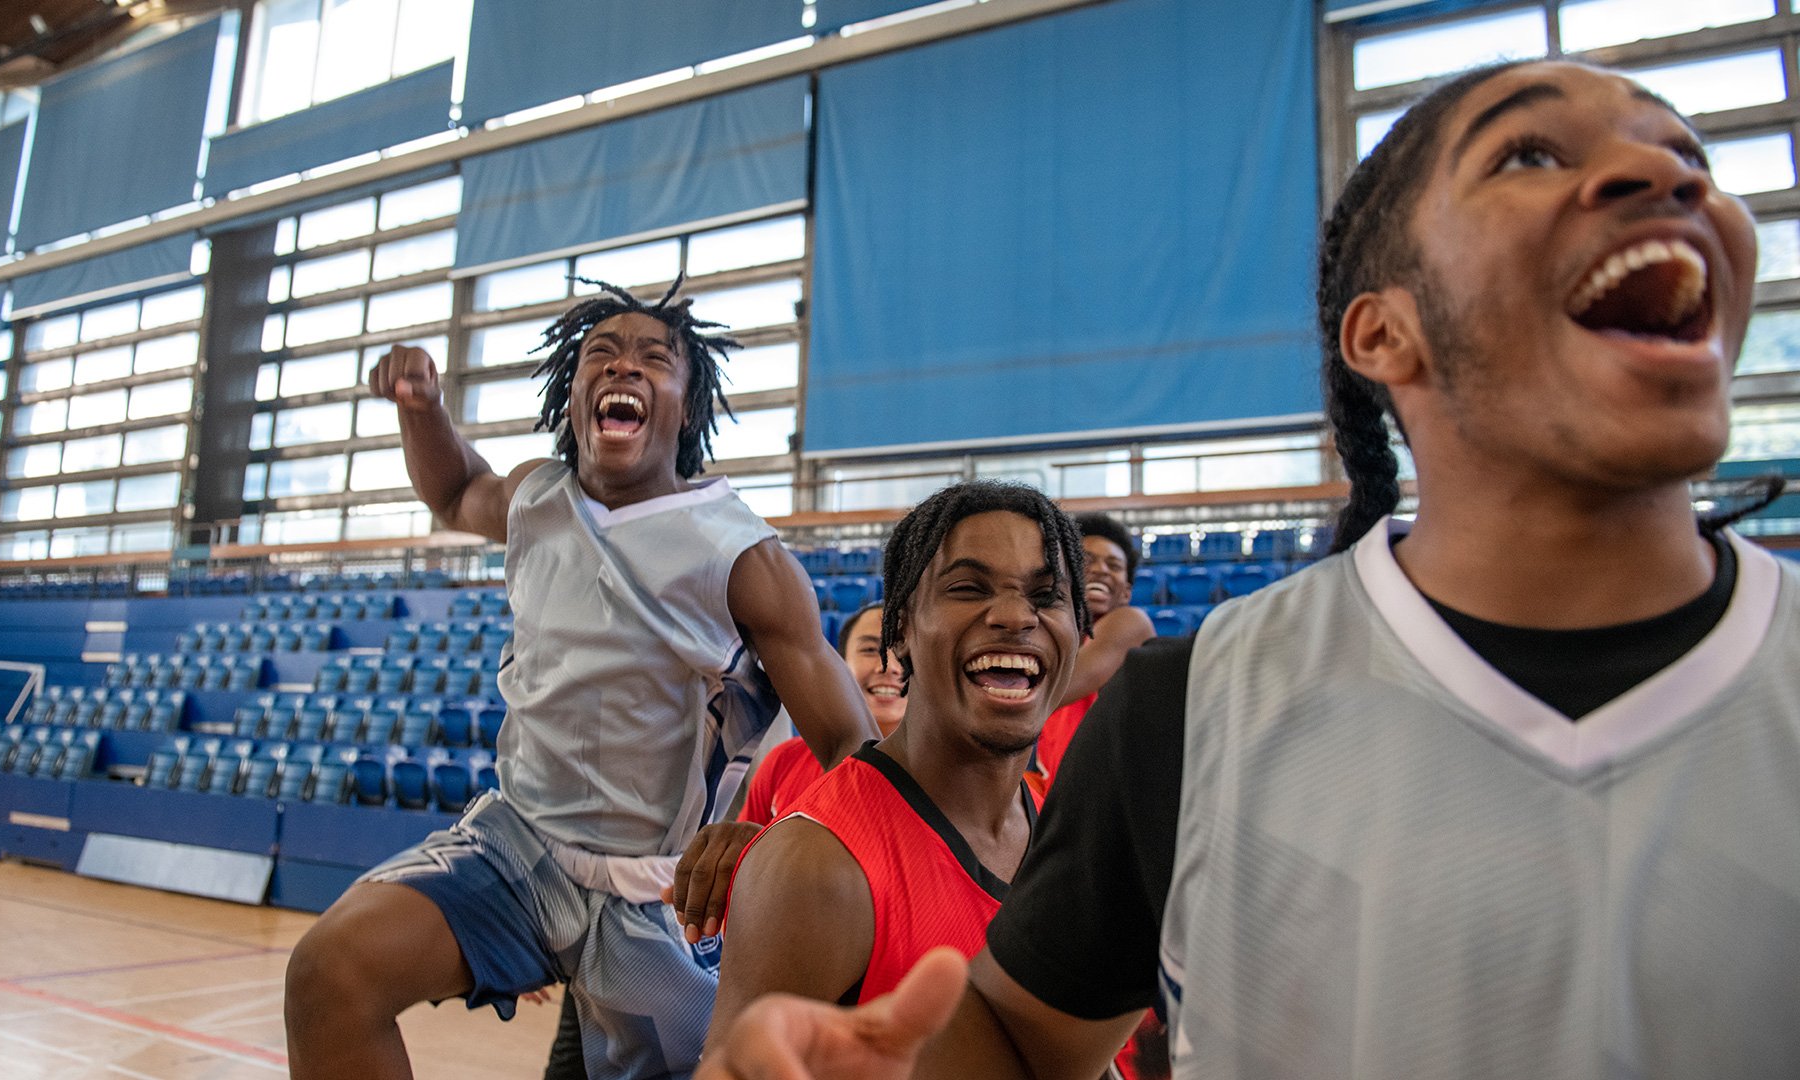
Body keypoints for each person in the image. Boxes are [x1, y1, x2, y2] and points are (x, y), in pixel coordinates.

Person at [697, 59, 1799, 1079]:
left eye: (1693, 159)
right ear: (1382, 335)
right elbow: (1020, 1044)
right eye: (1530, 154)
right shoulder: (1192, 715)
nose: (1663, 173)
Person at [285, 277, 876, 1080]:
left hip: (656, 894)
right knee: (329, 973)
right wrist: (421, 407)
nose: (622, 367)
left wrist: (780, 848)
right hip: (517, 850)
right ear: (573, 395)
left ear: (688, 405)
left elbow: (850, 744)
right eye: (601, 354)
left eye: (651, 359)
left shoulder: (742, 556)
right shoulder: (539, 497)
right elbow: (456, 490)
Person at [705, 481, 1084, 1048]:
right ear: (901, 628)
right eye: (967, 588)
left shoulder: (1066, 840)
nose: (1013, 615)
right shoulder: (817, 867)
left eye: (1047, 595)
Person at [740, 603, 908, 828]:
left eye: (903, 651)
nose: (888, 667)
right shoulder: (784, 761)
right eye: (870, 650)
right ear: (840, 664)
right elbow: (744, 855)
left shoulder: (947, 774)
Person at [1029, 512, 1154, 792]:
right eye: (1087, 560)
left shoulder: (1131, 623)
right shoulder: (1056, 635)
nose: (1102, 569)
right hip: (1055, 796)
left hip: (1106, 798)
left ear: (1126, 592)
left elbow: (1055, 689)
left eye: (1114, 565)